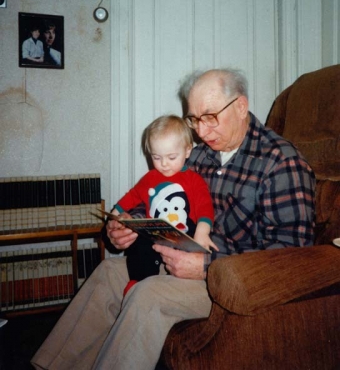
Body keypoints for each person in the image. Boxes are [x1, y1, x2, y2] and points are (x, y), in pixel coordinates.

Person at [31, 68, 315, 370]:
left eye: (210, 117)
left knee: (149, 294)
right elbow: (162, 199)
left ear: (241, 107)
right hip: (176, 257)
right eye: (193, 119)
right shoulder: (201, 155)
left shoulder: (281, 162)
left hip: (233, 282)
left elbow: (291, 258)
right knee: (109, 273)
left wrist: (207, 267)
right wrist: (128, 225)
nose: (201, 132)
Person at [113, 114, 217, 295]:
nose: (164, 164)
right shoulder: (150, 178)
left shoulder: (194, 180)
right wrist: (116, 212)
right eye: (157, 157)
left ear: (187, 151)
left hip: (185, 231)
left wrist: (203, 231)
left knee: (187, 251)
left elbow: (205, 207)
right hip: (156, 230)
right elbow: (133, 196)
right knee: (139, 247)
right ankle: (137, 282)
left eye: (171, 157)